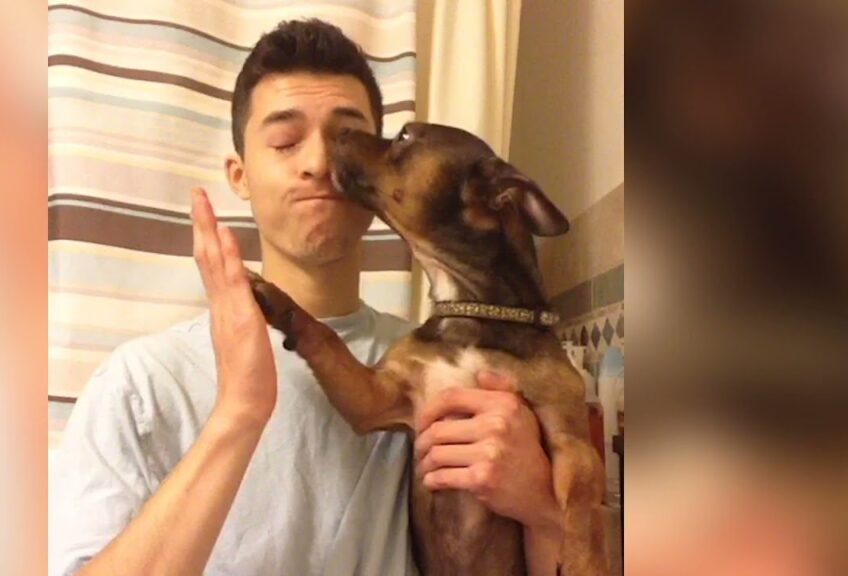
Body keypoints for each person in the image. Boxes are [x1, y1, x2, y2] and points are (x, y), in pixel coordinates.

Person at [49, 19, 562, 576]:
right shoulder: (143, 384)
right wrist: (240, 412)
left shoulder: (439, 371)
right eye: (285, 142)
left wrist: (540, 510)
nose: (320, 164)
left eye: (347, 140)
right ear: (239, 175)